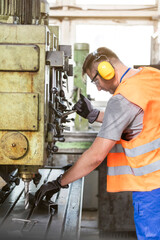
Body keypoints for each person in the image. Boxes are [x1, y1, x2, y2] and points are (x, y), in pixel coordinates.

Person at [35, 47, 160, 239]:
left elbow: (95, 157)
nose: (99, 87)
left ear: (106, 70)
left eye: (95, 80)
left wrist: (59, 182)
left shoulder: (122, 98)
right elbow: (141, 119)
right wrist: (95, 115)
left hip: (152, 188)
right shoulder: (151, 75)